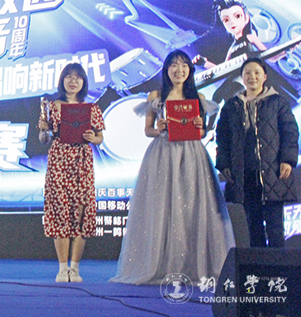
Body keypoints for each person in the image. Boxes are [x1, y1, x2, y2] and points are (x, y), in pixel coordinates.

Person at [111, 50, 235, 285]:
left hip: (192, 154)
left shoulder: (197, 97)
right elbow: (148, 131)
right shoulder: (156, 96)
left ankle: (192, 264)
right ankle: (162, 265)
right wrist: (158, 128)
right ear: (166, 69)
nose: (179, 70)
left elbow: (201, 133)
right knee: (163, 206)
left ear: (190, 70)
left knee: (192, 206)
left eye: (184, 65)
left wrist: (199, 127)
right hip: (163, 153)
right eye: (174, 65)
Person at [216, 57, 299, 248]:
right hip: (245, 174)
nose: (252, 76)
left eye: (256, 73)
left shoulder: (278, 102)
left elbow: (290, 132)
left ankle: (278, 265)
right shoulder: (231, 106)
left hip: (273, 172)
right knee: (253, 227)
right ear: (242, 77)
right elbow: (223, 137)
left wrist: (287, 160)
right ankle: (259, 265)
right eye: (247, 73)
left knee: (275, 226)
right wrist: (225, 164)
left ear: (265, 77)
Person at [37, 63, 104, 283]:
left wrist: (93, 138)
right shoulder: (51, 106)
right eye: (69, 76)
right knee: (60, 211)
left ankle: (75, 268)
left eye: (78, 77)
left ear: (84, 81)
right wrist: (44, 129)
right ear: (62, 80)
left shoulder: (91, 107)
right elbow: (43, 139)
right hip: (59, 159)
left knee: (81, 212)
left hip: (82, 161)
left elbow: (99, 137)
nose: (73, 81)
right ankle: (62, 268)